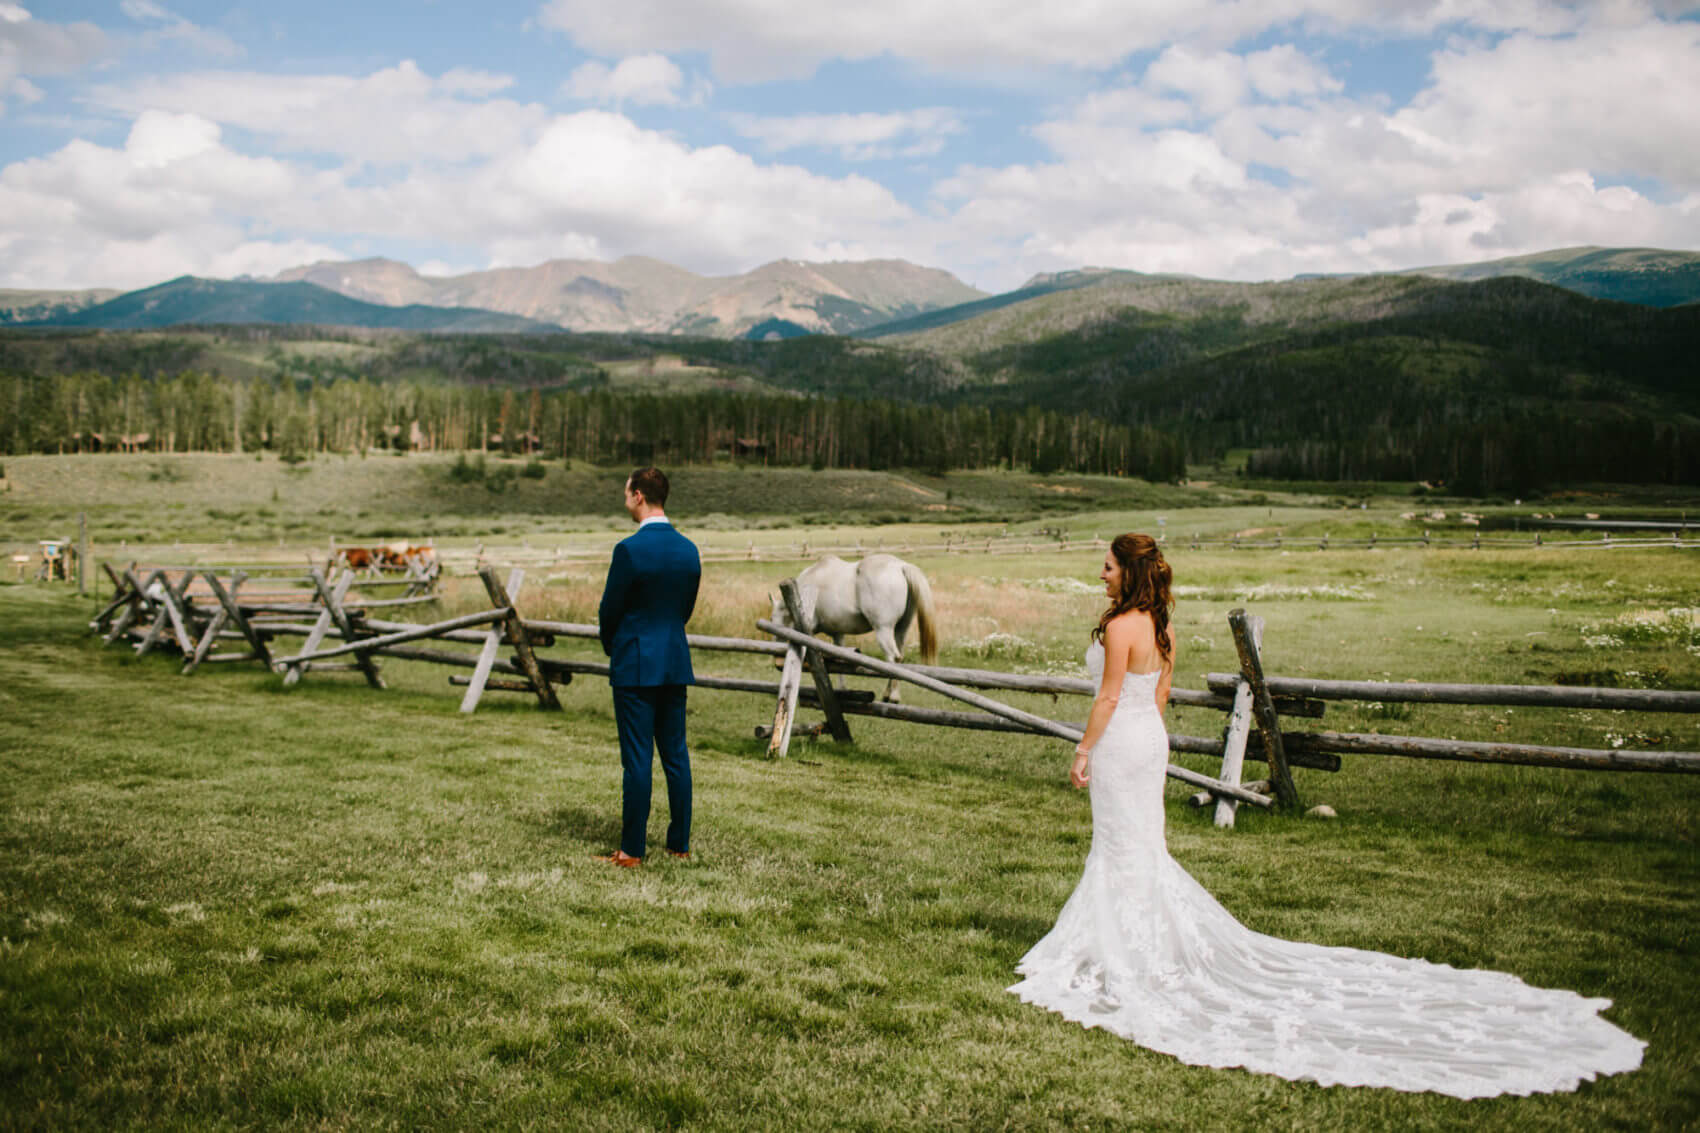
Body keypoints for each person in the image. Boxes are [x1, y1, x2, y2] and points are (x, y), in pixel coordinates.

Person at [1008, 533, 1644, 1098]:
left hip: (1121, 740)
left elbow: (1112, 696)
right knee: (1140, 847)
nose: (1102, 574)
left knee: (1122, 846)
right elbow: (1161, 697)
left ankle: (1119, 955)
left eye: (1109, 566)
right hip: (1151, 741)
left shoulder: (1121, 628)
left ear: (1129, 571)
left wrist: (1084, 747)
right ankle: (1127, 945)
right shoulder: (1162, 628)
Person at [594, 467, 700, 868]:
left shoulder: (629, 551)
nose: (624, 500)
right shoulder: (689, 550)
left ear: (639, 496)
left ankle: (631, 850)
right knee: (676, 754)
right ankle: (678, 844)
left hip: (635, 663)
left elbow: (610, 610)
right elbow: (684, 610)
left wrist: (613, 646)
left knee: (637, 758)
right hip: (674, 659)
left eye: (626, 493)